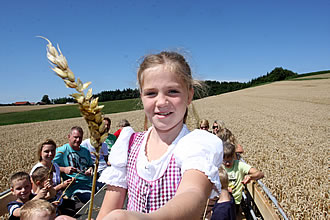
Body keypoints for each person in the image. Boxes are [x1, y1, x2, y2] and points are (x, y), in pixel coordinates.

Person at [97, 51, 223, 220]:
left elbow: (193, 194)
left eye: (172, 91)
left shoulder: (197, 145)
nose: (162, 102)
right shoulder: (129, 144)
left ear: (189, 96)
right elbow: (107, 212)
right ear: (141, 97)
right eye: (151, 93)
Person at [53, 126, 94, 204]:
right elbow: (48, 167)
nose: (78, 140)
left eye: (80, 138)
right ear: (69, 136)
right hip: (76, 187)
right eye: (75, 137)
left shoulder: (85, 150)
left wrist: (90, 169)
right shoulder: (62, 151)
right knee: (93, 200)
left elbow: (91, 165)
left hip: (90, 183)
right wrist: (64, 169)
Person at [30, 139, 74, 211]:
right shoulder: (37, 171)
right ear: (40, 153)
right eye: (46, 151)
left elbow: (59, 169)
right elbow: (36, 194)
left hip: (59, 201)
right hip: (45, 206)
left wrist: (66, 171)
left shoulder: (54, 165)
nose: (50, 154)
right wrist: (61, 186)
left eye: (53, 151)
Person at [222, 141, 264, 214]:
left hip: (235, 202)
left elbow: (260, 174)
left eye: (229, 160)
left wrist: (250, 176)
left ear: (233, 156)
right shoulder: (218, 166)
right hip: (222, 200)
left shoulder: (239, 165)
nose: (227, 163)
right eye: (225, 161)